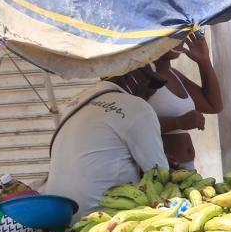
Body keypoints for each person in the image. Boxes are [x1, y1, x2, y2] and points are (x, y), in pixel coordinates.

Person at [44, 65, 170, 220]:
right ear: (128, 74)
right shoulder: (137, 107)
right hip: (100, 218)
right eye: (149, 82)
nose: (151, 92)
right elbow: (159, 174)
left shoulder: (76, 101)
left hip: (57, 214)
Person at [149, 33, 223, 170]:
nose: (181, 39)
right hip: (161, 172)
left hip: (186, 169)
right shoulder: (142, 77)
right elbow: (133, 125)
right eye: (175, 34)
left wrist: (204, 61)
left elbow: (213, 106)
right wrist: (179, 122)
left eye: (182, 33)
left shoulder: (174, 74)